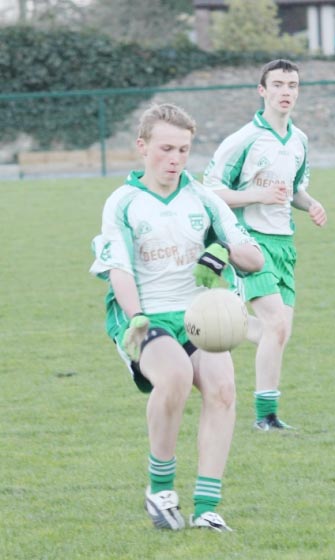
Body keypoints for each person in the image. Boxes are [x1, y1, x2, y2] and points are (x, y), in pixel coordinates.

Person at [89, 103, 264, 532]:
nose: (175, 159)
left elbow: (253, 258)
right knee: (175, 377)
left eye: (184, 150)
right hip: (145, 317)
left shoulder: (204, 199)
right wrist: (137, 317)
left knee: (223, 391)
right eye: (166, 148)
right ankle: (161, 490)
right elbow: (119, 270)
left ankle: (206, 509)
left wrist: (221, 252)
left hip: (200, 314)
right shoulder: (124, 202)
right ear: (142, 147)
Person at [202, 59, 327, 432]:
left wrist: (312, 204)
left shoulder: (300, 140)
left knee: (278, 331)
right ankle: (265, 417)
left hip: (284, 243)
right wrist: (255, 194)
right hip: (248, 242)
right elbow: (209, 190)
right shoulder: (243, 139)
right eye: (278, 85)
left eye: (292, 85)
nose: (286, 91)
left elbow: (295, 191)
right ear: (262, 91)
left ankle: (207, 327)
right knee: (274, 324)